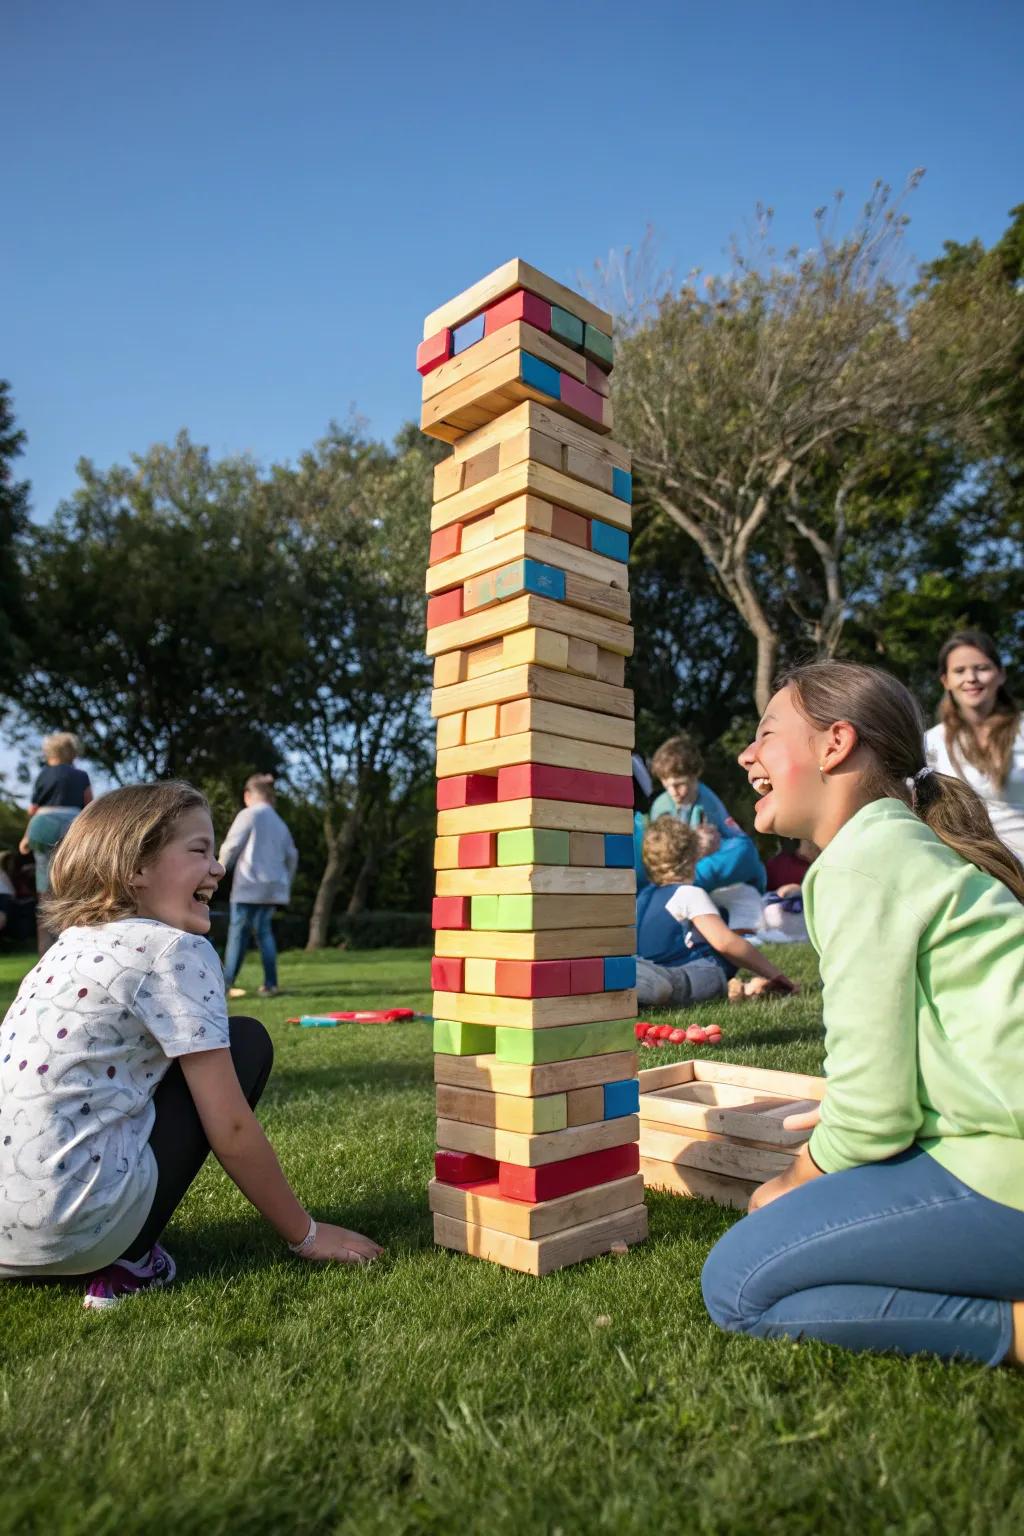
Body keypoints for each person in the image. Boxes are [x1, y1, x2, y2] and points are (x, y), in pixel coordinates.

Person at [702, 661, 1024, 1367]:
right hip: (997, 1146)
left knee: (738, 1281)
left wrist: (793, 1180)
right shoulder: (900, 845)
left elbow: (878, 1116)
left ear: (835, 744)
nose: (744, 754)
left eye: (765, 734)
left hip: (1008, 1173)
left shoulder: (857, 863)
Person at [0, 781, 381, 1310]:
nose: (219, 867)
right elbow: (229, 1124)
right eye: (199, 849)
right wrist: (308, 1234)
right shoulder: (175, 950)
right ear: (135, 867)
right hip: (76, 1234)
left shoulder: (66, 948)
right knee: (246, 1042)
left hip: (6, 1241)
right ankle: (128, 1262)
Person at [635, 817, 797, 1008]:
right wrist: (775, 974)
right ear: (695, 854)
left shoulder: (643, 897)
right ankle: (657, 984)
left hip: (648, 963)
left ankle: (639, 981)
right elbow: (725, 942)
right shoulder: (689, 894)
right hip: (692, 972)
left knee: (657, 975)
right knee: (700, 976)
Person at [924, 629, 1024, 861]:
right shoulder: (931, 743)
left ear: (1001, 674)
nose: (971, 678)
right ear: (946, 681)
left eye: (982, 668)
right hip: (974, 871)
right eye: (960, 671)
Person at [639, 732, 766, 896]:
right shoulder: (661, 806)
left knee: (746, 850)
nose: (673, 792)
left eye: (680, 784)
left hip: (702, 867)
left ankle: (678, 886)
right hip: (676, 868)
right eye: (667, 786)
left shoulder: (708, 803)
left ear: (695, 775)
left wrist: (713, 847)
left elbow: (737, 843)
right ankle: (678, 886)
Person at [219, 774, 298, 1000]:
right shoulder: (280, 823)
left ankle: (225, 985)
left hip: (249, 885)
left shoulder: (249, 814)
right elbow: (292, 856)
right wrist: (286, 883)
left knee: (238, 933)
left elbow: (231, 846)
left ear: (248, 795)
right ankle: (270, 984)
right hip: (273, 888)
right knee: (264, 933)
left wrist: (219, 871)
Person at [18, 732, 93, 955]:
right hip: (71, 824)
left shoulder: (43, 774)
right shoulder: (81, 775)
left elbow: (33, 810)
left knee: (45, 893)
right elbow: (89, 807)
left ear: (51, 753)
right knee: (72, 885)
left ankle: (45, 954)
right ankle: (73, 948)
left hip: (41, 824)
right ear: (72, 753)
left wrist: (25, 837)